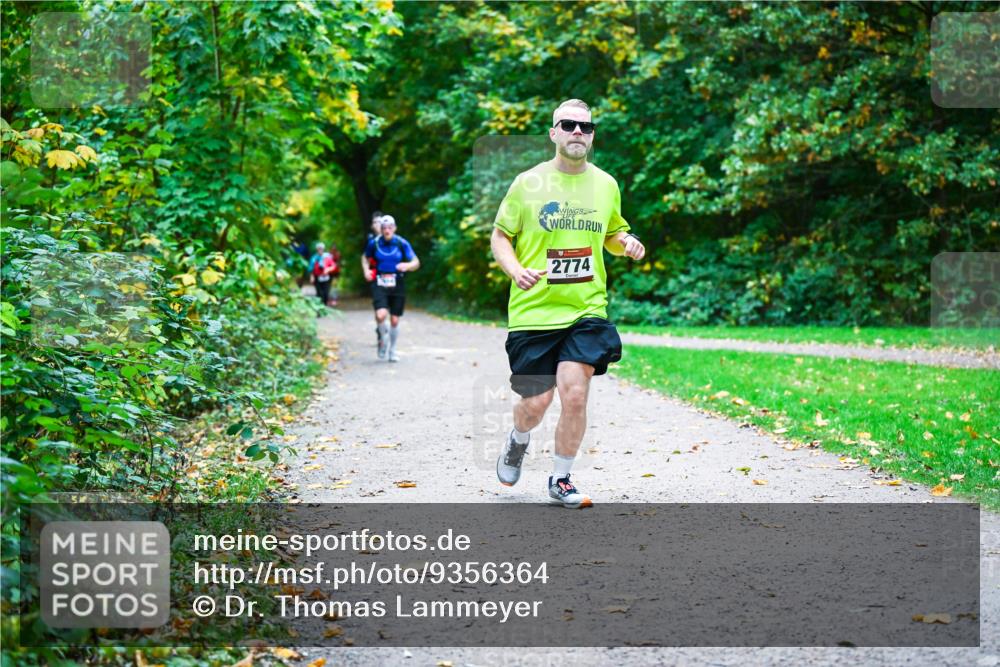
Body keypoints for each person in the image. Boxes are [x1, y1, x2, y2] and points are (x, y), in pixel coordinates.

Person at [490, 99, 645, 508]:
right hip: (534, 310)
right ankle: (518, 439)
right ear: (554, 132)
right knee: (536, 403)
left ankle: (561, 479)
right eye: (569, 125)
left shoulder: (606, 184)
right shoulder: (528, 183)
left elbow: (612, 233)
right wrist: (514, 269)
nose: (578, 132)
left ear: (592, 135)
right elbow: (500, 236)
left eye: (586, 127)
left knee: (574, 395)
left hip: (586, 308)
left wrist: (625, 242)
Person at [363, 215, 420, 362]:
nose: (387, 230)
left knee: (394, 320)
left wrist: (407, 266)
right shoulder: (374, 243)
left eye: (390, 227)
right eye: (384, 228)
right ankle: (383, 338)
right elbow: (365, 257)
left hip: (397, 282)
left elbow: (416, 262)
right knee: (380, 315)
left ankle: (392, 350)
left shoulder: (401, 243)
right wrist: (366, 270)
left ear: (394, 228)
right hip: (379, 281)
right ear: (380, 230)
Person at [362, 211, 384, 347]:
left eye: (381, 222)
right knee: (379, 310)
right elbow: (364, 257)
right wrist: (366, 270)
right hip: (377, 278)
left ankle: (384, 329)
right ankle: (381, 331)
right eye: (376, 222)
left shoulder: (394, 240)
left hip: (393, 279)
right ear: (372, 225)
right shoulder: (371, 242)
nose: (379, 225)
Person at [309, 242, 337, 308]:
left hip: (326, 277)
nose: (320, 250)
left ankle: (325, 305)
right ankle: (319, 307)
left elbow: (333, 266)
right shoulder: (314, 258)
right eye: (319, 249)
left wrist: (328, 269)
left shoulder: (327, 257)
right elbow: (311, 268)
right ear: (317, 249)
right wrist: (312, 276)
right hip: (317, 277)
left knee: (326, 293)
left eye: (321, 249)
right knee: (319, 293)